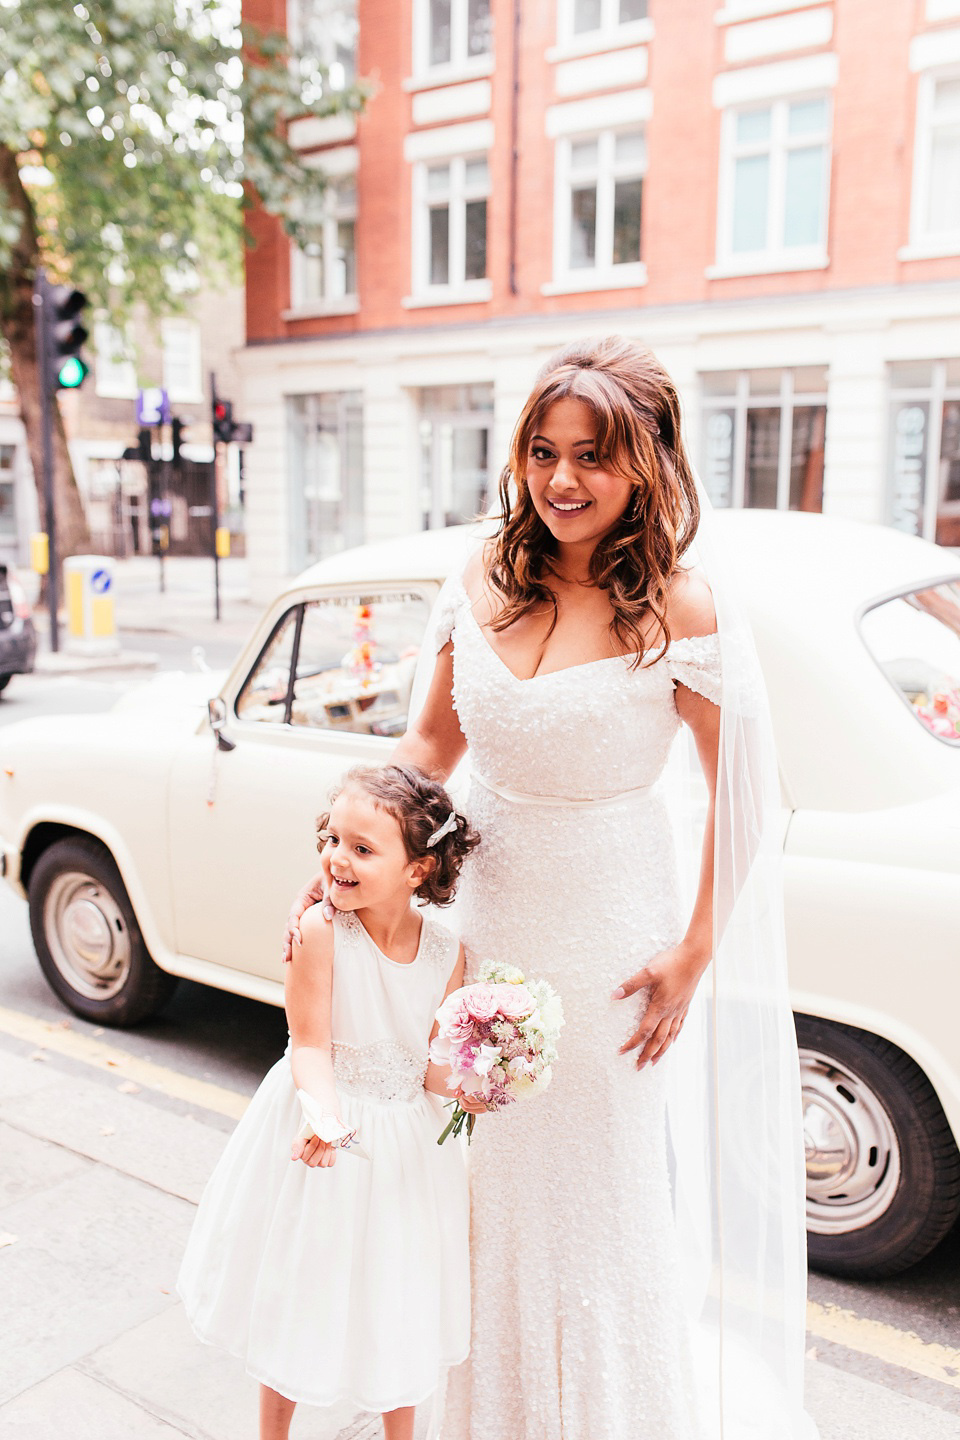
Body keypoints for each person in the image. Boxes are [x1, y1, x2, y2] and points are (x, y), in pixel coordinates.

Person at [285, 337, 817, 1440]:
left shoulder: (684, 607)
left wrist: (694, 951)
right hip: (484, 918)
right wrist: (337, 867)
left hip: (614, 933)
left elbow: (748, 797)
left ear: (649, 464)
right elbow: (427, 746)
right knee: (473, 1178)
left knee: (594, 1196)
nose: (562, 480)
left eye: (594, 457)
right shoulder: (477, 577)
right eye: (542, 451)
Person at [179, 763, 479, 1440]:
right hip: (323, 1131)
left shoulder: (447, 952)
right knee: (295, 1285)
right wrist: (326, 1116)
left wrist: (473, 1089)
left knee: (395, 1295)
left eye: (362, 848)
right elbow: (309, 1045)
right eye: (333, 838)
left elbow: (430, 1067)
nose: (336, 859)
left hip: (405, 1154)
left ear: (418, 870)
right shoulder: (321, 931)